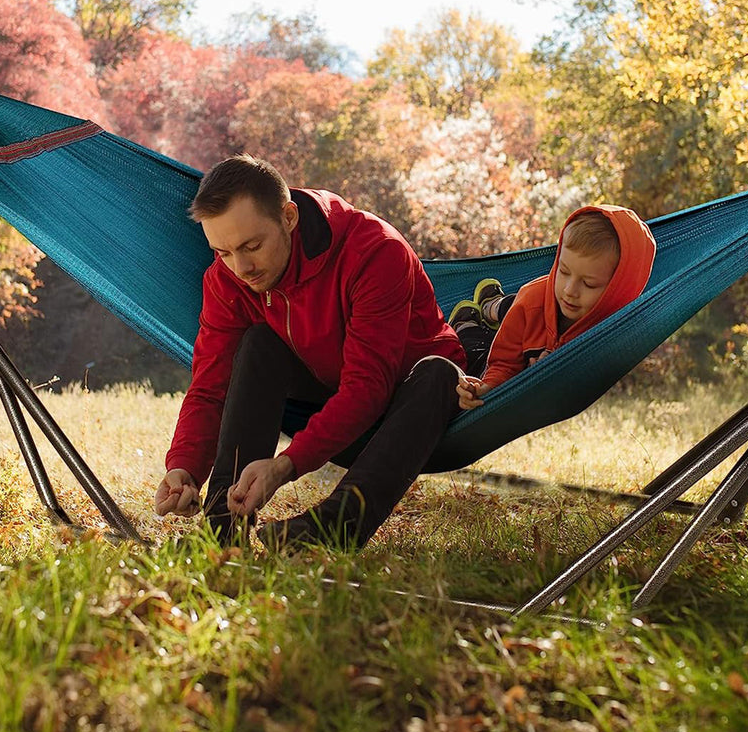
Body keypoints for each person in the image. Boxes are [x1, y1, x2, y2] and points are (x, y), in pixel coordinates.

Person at [153, 154, 467, 549]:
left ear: (289, 217)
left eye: (252, 245)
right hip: (327, 393)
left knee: (439, 373)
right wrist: (184, 467)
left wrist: (286, 465)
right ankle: (222, 529)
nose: (241, 267)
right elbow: (210, 384)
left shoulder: (375, 251)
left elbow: (369, 385)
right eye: (224, 252)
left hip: (414, 406)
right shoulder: (226, 279)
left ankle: (330, 530)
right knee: (258, 345)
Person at [454, 206, 656, 410]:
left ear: (617, 288)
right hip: (511, 331)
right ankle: (468, 322)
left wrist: (550, 373)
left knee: (518, 311)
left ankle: (493, 304)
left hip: (530, 336)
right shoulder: (531, 300)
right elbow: (503, 365)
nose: (570, 290)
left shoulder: (617, 329)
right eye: (564, 271)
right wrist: (488, 388)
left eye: (589, 284)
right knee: (474, 348)